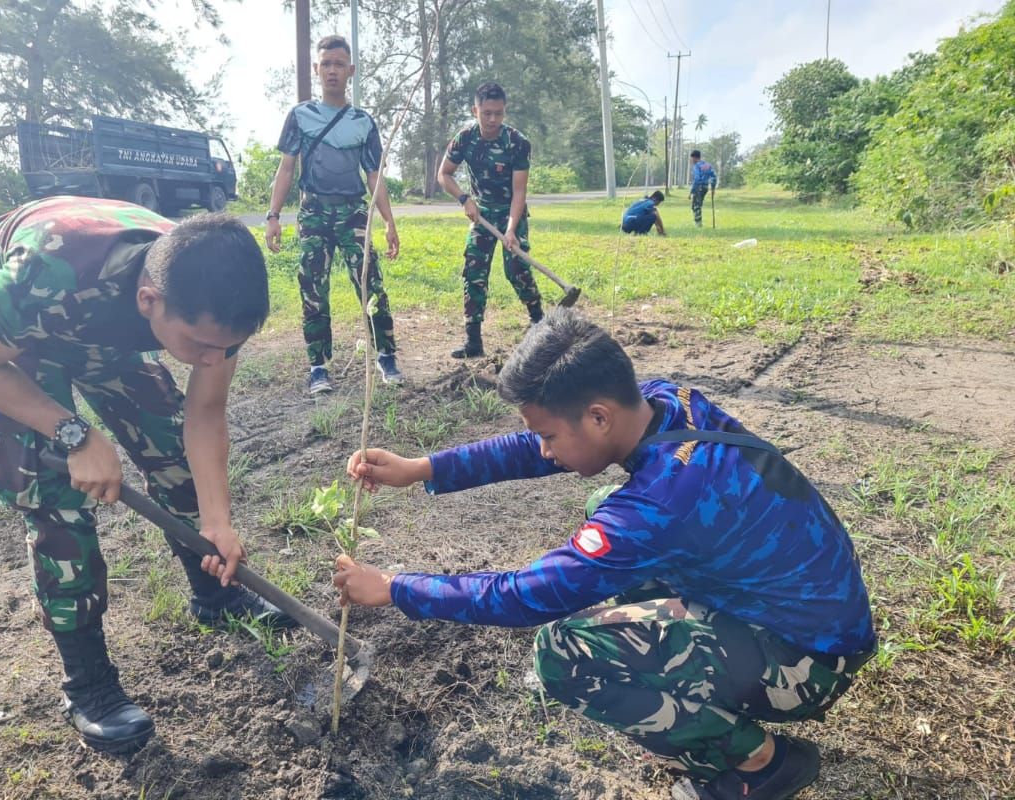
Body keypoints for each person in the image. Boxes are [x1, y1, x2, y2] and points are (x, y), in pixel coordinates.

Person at [333, 308, 876, 800]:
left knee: (564, 650)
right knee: (602, 505)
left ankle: (762, 764)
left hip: (807, 662)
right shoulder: (665, 401)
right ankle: (696, 702)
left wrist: (395, 587)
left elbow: (527, 598)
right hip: (809, 610)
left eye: (548, 434)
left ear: (597, 417)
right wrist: (421, 468)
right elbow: (532, 447)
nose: (543, 448)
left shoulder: (660, 505)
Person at [0, 196, 296, 755]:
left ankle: (214, 598)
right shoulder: (45, 277)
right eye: (201, 345)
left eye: (225, 348)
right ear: (149, 301)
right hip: (17, 340)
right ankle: (89, 688)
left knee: (176, 459)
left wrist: (218, 521)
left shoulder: (212, 300)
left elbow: (204, 414)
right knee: (58, 499)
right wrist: (74, 434)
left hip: (104, 326)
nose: (211, 358)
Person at [265, 34, 403, 395]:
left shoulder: (363, 121)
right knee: (312, 289)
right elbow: (286, 168)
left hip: (354, 213)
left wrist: (389, 221)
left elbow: (374, 175)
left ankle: (386, 355)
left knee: (370, 282)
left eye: (338, 64)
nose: (331, 71)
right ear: (316, 68)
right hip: (313, 212)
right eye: (325, 63)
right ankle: (318, 366)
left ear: (350, 70)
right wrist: (273, 215)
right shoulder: (300, 116)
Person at [438, 82, 543, 359]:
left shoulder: (517, 142)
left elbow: (519, 191)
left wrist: (511, 229)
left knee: (516, 269)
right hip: (481, 213)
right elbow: (444, 174)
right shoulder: (465, 138)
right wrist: (465, 199)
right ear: (476, 110)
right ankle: (473, 341)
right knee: (474, 271)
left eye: (498, 113)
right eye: (487, 113)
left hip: (512, 212)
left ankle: (539, 322)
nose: (493, 119)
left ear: (505, 112)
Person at [690, 149, 717, 228]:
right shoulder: (708, 165)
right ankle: (697, 221)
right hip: (705, 187)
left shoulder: (696, 166)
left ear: (694, 158)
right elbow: (714, 177)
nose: (691, 160)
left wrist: (692, 190)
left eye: (691, 158)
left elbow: (697, 179)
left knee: (696, 205)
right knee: (696, 205)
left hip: (699, 187)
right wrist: (713, 188)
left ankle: (698, 224)